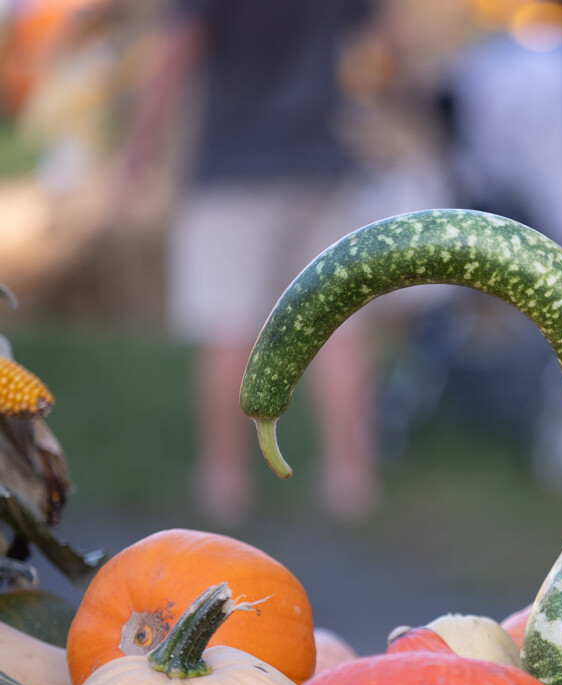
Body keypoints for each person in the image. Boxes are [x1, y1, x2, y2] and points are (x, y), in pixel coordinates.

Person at [121, 0, 383, 524]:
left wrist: (140, 144)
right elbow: (377, 44)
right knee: (339, 327)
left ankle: (224, 482)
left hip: (233, 168)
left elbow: (179, 49)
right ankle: (351, 480)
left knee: (230, 328)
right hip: (319, 161)